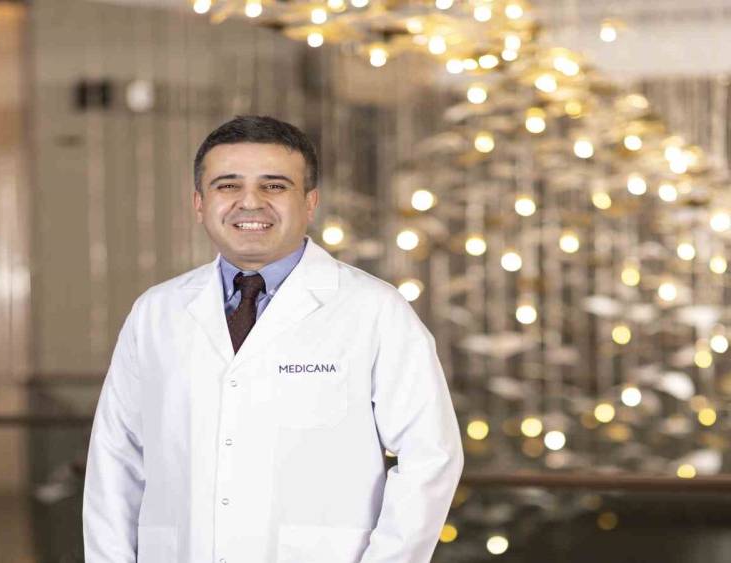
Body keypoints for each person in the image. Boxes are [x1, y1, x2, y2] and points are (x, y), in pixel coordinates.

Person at [83, 115, 463, 563]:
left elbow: (429, 456)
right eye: (227, 185)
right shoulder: (156, 312)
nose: (250, 202)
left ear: (310, 202)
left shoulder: (375, 310)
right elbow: (116, 458)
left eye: (274, 186)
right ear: (199, 203)